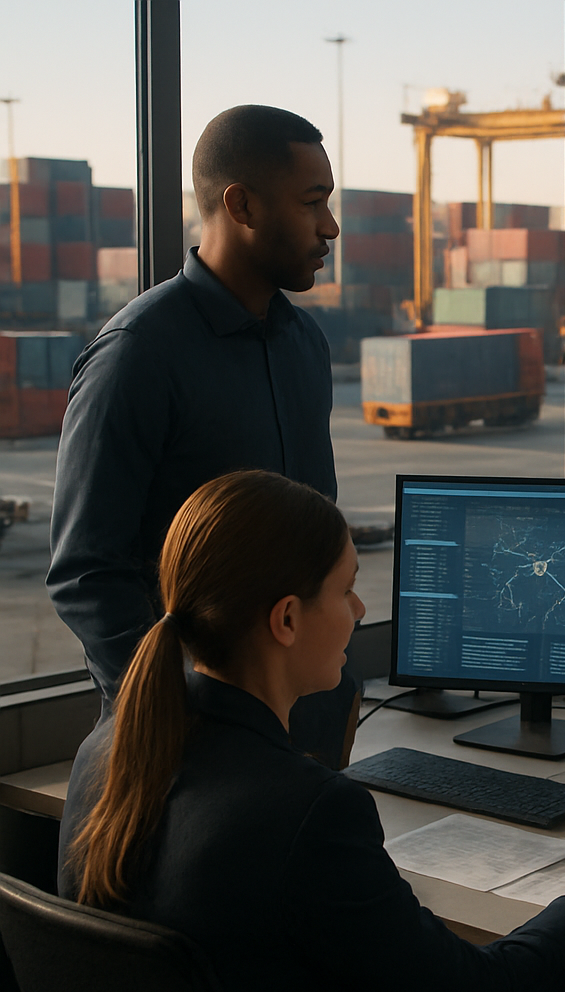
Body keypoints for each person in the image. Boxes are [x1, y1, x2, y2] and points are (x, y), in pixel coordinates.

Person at [58, 470, 565, 992]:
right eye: (346, 589)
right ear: (287, 621)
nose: (359, 609)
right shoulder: (307, 811)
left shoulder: (108, 749)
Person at [47, 104, 354, 767]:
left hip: (305, 737)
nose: (330, 227)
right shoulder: (138, 354)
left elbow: (316, 539)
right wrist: (181, 719)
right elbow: (86, 573)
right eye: (312, 203)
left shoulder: (307, 346)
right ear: (241, 205)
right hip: (187, 751)